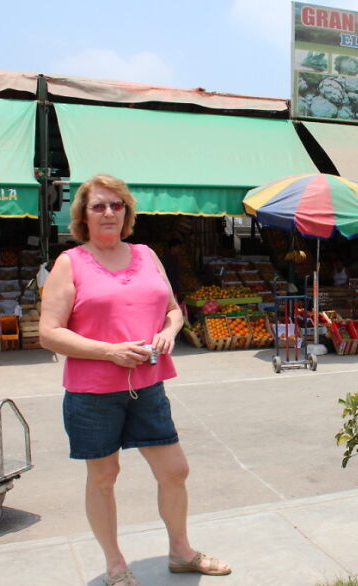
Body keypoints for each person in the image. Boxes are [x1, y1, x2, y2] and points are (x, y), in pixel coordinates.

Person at [39, 175, 230, 586]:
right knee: (104, 477)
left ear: (126, 212)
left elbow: (173, 309)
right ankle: (115, 564)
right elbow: (49, 332)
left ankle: (181, 551)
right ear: (84, 216)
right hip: (92, 393)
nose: (109, 212)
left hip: (147, 385)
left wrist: (169, 330)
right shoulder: (70, 263)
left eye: (117, 205)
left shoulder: (145, 254)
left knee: (175, 471)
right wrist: (109, 351)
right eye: (99, 206)